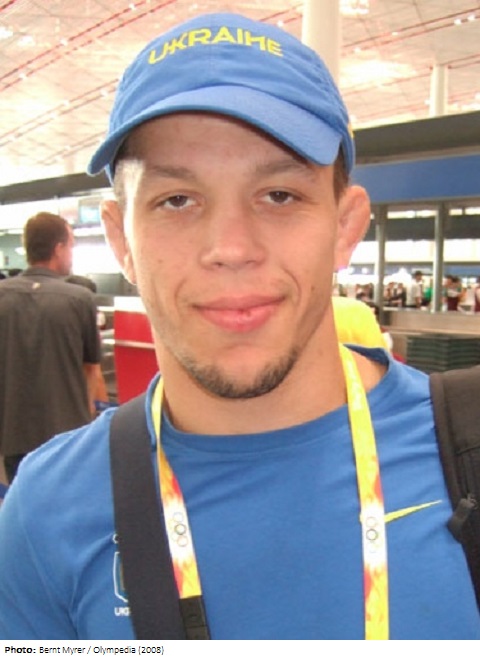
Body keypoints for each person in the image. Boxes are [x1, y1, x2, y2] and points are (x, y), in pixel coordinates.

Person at [0, 13, 478, 640]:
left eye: (279, 195)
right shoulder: (47, 512)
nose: (230, 248)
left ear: (345, 227)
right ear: (121, 241)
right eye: (177, 200)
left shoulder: (465, 448)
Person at [0, 212, 101, 482]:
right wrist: (88, 418)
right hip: (66, 435)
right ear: (58, 248)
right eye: (70, 246)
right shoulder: (79, 299)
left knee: (21, 498)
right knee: (67, 501)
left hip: (13, 433)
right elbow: (91, 369)